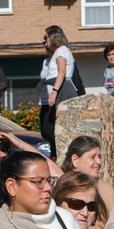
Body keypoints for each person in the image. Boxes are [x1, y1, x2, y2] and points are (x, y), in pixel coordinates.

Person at [38, 25, 76, 157]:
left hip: (61, 89)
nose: (44, 41)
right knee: (46, 128)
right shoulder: (52, 55)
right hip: (51, 89)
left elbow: (61, 73)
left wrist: (54, 91)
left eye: (46, 37)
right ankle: (55, 155)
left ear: (54, 36)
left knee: (54, 127)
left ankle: (61, 156)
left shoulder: (62, 51)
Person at [59, 135, 114, 211]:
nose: (99, 162)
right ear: (75, 160)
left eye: (99, 157)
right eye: (93, 157)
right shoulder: (60, 187)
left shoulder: (107, 190)